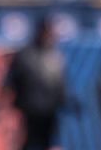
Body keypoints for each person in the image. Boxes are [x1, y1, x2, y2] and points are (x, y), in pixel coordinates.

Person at [5, 17, 68, 150]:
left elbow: (59, 82)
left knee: (47, 142)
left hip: (50, 109)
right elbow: (13, 80)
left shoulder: (54, 55)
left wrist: (62, 100)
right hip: (29, 109)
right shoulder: (25, 54)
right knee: (27, 142)